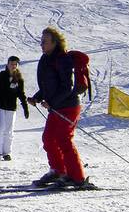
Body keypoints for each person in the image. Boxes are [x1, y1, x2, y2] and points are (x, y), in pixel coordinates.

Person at [27, 27, 93, 189]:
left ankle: (76, 177)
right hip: (56, 106)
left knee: (64, 140)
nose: (41, 44)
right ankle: (59, 170)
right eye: (41, 41)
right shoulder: (46, 58)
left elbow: (67, 87)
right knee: (49, 138)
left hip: (68, 106)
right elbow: (48, 85)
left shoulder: (63, 59)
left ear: (55, 42)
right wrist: (37, 97)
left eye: (45, 41)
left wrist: (52, 103)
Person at [0, 56, 29, 161]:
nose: (13, 66)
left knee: (9, 131)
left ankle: (7, 153)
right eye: (11, 64)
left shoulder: (19, 79)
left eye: (15, 64)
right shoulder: (1, 76)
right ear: (7, 64)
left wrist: (25, 107)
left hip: (11, 108)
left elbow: (21, 94)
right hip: (0, 106)